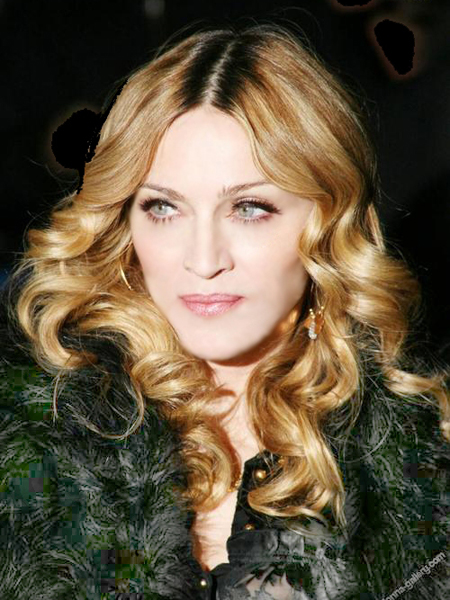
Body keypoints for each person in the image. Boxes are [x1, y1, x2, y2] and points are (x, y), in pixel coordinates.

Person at [0, 22, 449, 600]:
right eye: (164, 208)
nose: (204, 259)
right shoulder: (34, 449)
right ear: (124, 223)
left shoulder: (419, 471)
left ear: (327, 221)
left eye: (250, 208)